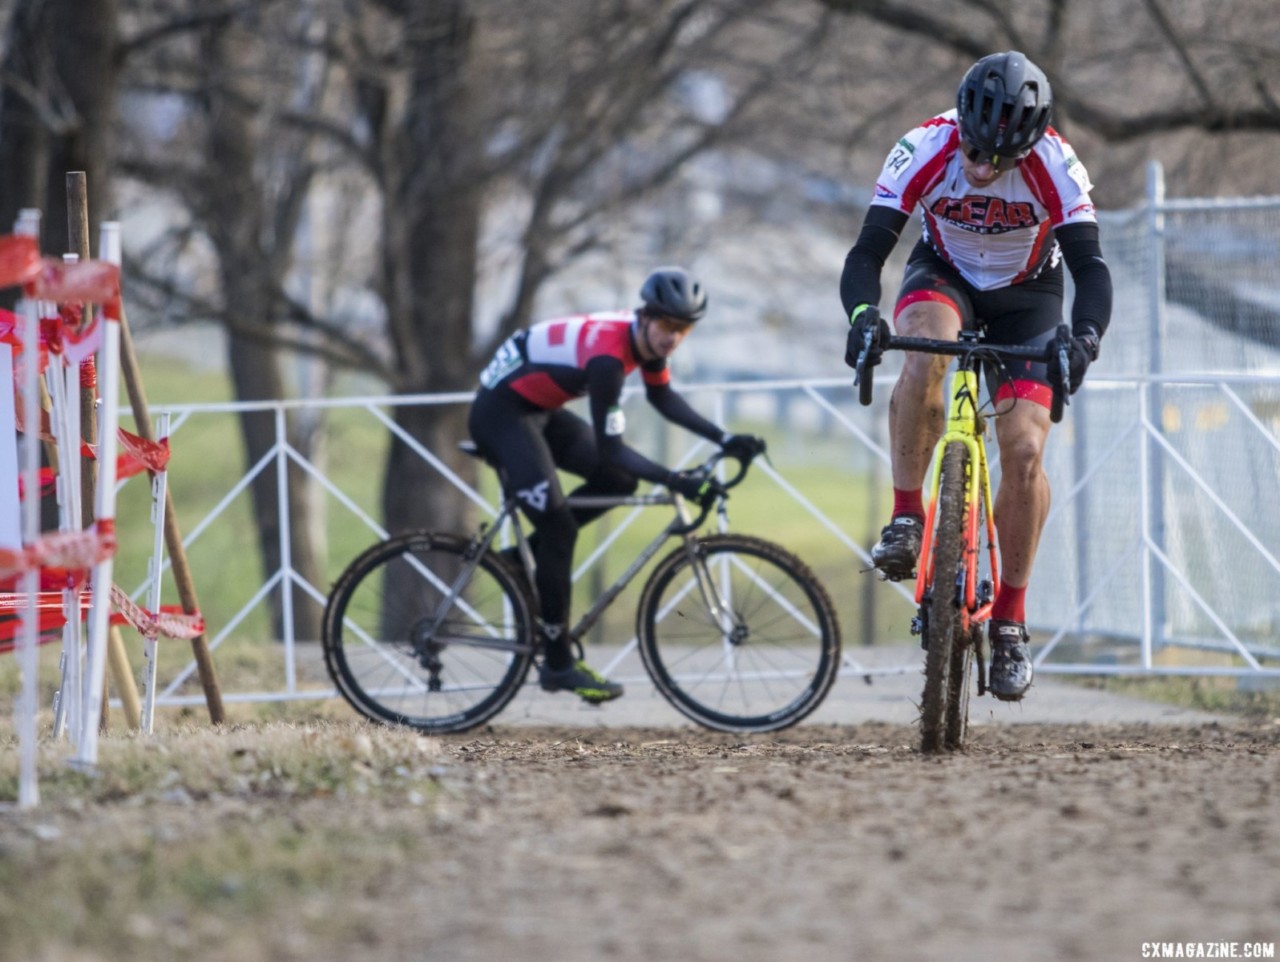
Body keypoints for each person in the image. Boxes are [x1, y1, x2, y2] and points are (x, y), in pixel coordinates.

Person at [840, 51, 1112, 701]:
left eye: (1000, 157)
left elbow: (1092, 269)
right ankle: (908, 516)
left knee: (1023, 449)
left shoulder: (1055, 165)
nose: (982, 166)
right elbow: (868, 251)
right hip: (945, 276)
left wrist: (1085, 339)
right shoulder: (922, 147)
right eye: (974, 147)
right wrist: (860, 316)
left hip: (1029, 298)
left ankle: (1012, 625)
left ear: (1030, 143)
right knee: (924, 352)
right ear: (959, 121)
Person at [469, 267, 766, 704]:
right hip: (501, 415)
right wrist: (676, 480)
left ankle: (519, 559)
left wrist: (723, 437)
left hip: (538, 408)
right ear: (645, 316)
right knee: (560, 529)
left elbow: (662, 397)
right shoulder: (609, 358)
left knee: (620, 480)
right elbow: (612, 447)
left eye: (683, 329)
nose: (673, 338)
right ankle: (557, 664)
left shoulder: (644, 342)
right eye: (667, 325)